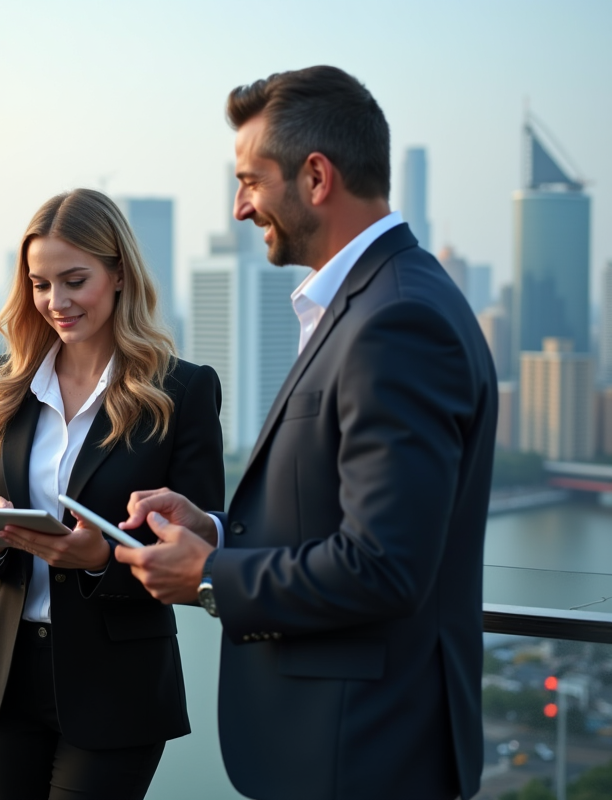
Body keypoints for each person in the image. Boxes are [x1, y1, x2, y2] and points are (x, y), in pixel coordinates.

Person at [115, 66, 497, 800]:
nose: (238, 207)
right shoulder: (368, 305)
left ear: (316, 177)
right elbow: (330, 510)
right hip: (341, 746)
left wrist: (205, 575)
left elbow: (385, 564)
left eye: (251, 181)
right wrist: (217, 533)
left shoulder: (395, 322)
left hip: (360, 752)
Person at [0, 188, 224, 800]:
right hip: (7, 677)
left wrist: (102, 560)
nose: (56, 301)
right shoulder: (0, 386)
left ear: (119, 273)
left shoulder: (182, 392)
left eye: (75, 280)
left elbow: (200, 550)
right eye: (40, 284)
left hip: (117, 684)